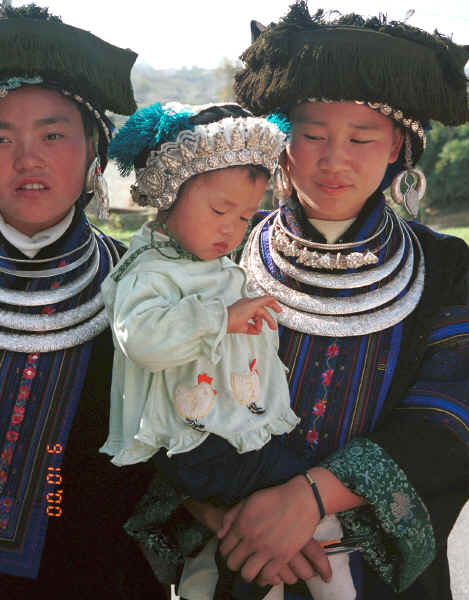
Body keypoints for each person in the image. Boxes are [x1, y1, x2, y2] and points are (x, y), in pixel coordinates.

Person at [136, 4, 469, 600]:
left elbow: (448, 413)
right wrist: (225, 514)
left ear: (399, 146)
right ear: (281, 141)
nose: (334, 158)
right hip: (230, 555)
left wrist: (308, 500)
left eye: (362, 137)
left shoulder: (448, 270)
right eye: (312, 135)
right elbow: (155, 385)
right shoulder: (217, 251)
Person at [101, 101, 355, 600]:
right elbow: (143, 339)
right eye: (219, 211)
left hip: (220, 435)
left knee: (252, 533)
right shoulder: (150, 271)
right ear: (169, 195)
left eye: (243, 217)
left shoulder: (204, 264)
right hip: (200, 443)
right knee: (306, 505)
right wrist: (223, 318)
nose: (231, 230)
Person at [0, 5, 163, 599]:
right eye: (1, 138)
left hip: (102, 577)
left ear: (94, 154)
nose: (28, 159)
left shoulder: (146, 287)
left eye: (52, 135)